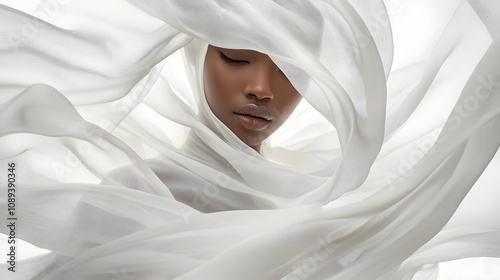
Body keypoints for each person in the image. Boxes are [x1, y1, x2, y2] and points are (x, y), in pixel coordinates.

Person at [0, 0, 499, 279]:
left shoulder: (319, 207)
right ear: (197, 55)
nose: (261, 88)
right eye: (237, 57)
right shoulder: (131, 190)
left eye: (293, 69)